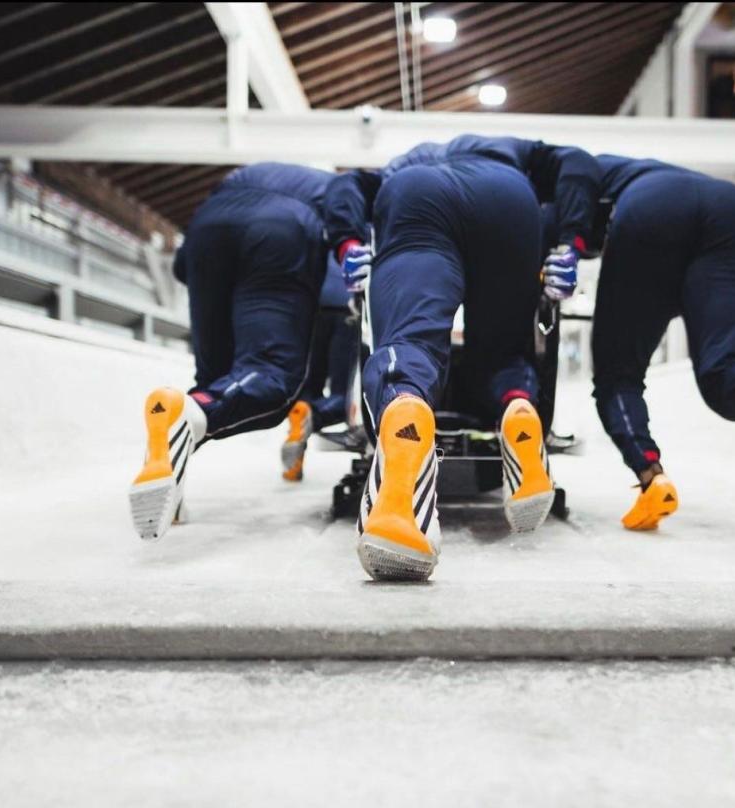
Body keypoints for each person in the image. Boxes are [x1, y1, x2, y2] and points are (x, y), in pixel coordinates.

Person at [324, 135, 601, 581]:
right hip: (508, 196)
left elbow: (344, 187)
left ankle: (405, 409)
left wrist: (347, 244)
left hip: (416, 197)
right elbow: (579, 161)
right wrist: (572, 242)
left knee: (411, 342)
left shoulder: (402, 163)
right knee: (503, 352)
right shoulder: (513, 150)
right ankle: (517, 407)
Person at [591, 155, 735, 531]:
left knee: (617, 378)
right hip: (728, 206)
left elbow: (544, 233)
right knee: (727, 371)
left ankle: (652, 478)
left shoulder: (559, 174)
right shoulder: (629, 168)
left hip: (650, 209)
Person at [129, 162, 331, 541]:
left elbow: (181, 268)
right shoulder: (341, 185)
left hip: (204, 231)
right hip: (280, 232)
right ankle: (194, 412)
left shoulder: (236, 178)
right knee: (272, 378)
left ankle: (168, 479)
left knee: (214, 385)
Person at [281, 254, 360, 481]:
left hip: (312, 310)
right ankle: (313, 415)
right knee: (342, 394)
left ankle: (294, 463)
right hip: (349, 309)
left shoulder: (313, 224)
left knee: (307, 389)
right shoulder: (355, 226)